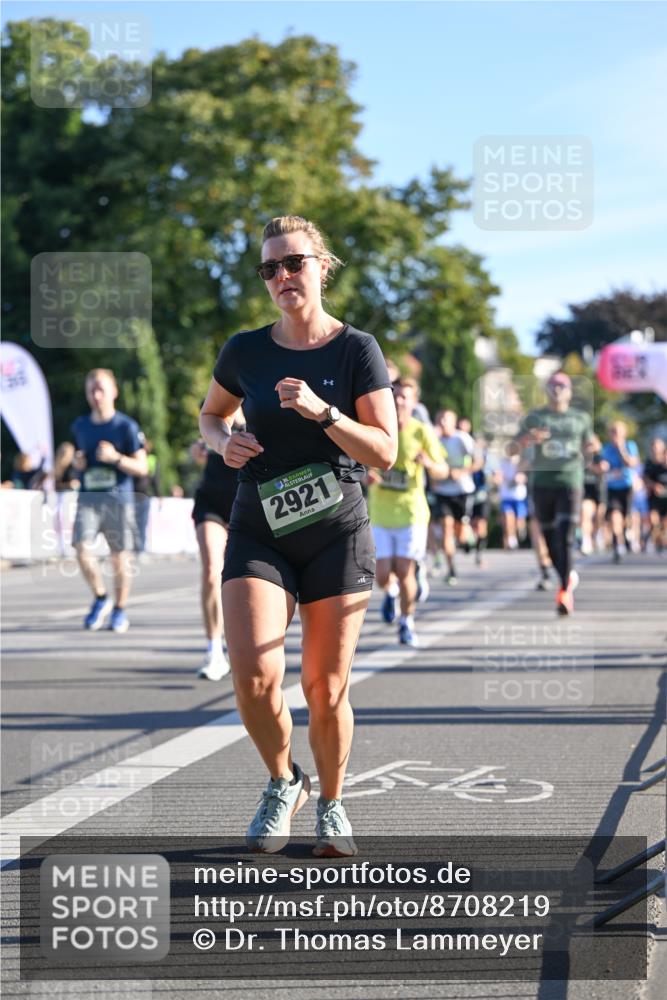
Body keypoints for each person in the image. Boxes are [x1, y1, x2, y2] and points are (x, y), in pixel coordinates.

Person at [199, 215, 397, 857]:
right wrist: (224, 443)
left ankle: (334, 804)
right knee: (252, 672)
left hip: (336, 531)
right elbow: (210, 415)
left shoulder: (356, 350)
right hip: (261, 523)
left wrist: (325, 412)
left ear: (322, 265)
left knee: (323, 686)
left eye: (294, 263)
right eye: (270, 268)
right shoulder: (245, 349)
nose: (282, 276)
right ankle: (284, 780)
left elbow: (385, 452)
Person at [367, 377, 448, 647]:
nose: (400, 400)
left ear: (414, 402)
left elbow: (443, 470)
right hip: (380, 510)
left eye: (406, 397)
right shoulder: (376, 425)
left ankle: (406, 622)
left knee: (404, 571)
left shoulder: (421, 431)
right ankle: (389, 594)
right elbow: (358, 458)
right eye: (396, 395)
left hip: (412, 512)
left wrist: (428, 463)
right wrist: (366, 473)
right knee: (381, 575)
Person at [70, 368, 147, 633]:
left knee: (119, 558)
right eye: (91, 389)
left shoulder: (126, 426)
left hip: (119, 499)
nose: (96, 393)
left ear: (114, 391)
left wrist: (116, 458)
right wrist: (76, 465)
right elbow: (76, 466)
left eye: (101, 387)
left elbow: (143, 467)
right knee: (81, 548)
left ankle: (119, 609)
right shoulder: (80, 426)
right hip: (89, 498)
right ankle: (101, 597)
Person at [511, 371, 594, 615]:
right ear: (546, 389)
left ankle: (564, 591)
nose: (557, 389)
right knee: (548, 540)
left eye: (562, 385)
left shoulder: (580, 418)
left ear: (569, 391)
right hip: (542, 483)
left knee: (565, 536)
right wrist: (528, 439)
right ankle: (566, 577)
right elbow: (511, 449)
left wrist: (592, 448)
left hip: (570, 482)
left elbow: (590, 444)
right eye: (553, 385)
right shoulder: (535, 417)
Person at [190, 417, 243, 681]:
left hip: (246, 502)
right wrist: (198, 448)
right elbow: (204, 434)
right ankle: (214, 650)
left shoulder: (259, 398)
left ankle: (244, 646)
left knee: (243, 581)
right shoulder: (217, 396)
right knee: (212, 570)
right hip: (211, 502)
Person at [431, 409, 476, 585]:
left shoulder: (462, 438)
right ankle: (451, 569)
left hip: (462, 490)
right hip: (443, 491)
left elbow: (478, 461)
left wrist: (462, 472)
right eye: (440, 419)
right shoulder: (434, 440)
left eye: (446, 420)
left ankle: (467, 536)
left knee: (461, 533)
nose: (443, 423)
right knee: (446, 529)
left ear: (454, 422)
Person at [600, 421, 640, 563]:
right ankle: (617, 544)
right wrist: (604, 468)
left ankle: (627, 534)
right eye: (612, 431)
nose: (614, 435)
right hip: (612, 487)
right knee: (614, 515)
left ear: (623, 433)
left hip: (626, 486)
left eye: (617, 431)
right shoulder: (606, 448)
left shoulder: (630, 445)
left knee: (626, 517)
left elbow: (631, 463)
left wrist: (621, 448)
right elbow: (603, 465)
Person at [580, 434, 605, 555]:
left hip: (598, 489)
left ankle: (597, 534)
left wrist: (591, 465)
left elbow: (603, 468)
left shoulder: (599, 456)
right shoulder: (579, 457)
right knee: (585, 514)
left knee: (599, 518)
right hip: (585, 491)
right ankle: (586, 540)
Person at [497, 453, 528, 550]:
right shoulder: (502, 462)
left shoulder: (521, 461)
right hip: (506, 496)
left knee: (519, 520)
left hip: (519, 497)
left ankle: (520, 530)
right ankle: (511, 538)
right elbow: (498, 476)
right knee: (508, 517)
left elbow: (525, 477)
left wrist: (520, 478)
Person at [644, 437, 667, 552]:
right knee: (654, 521)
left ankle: (662, 542)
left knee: (665, 523)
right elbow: (645, 479)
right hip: (655, 498)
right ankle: (657, 541)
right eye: (654, 448)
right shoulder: (650, 464)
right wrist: (654, 486)